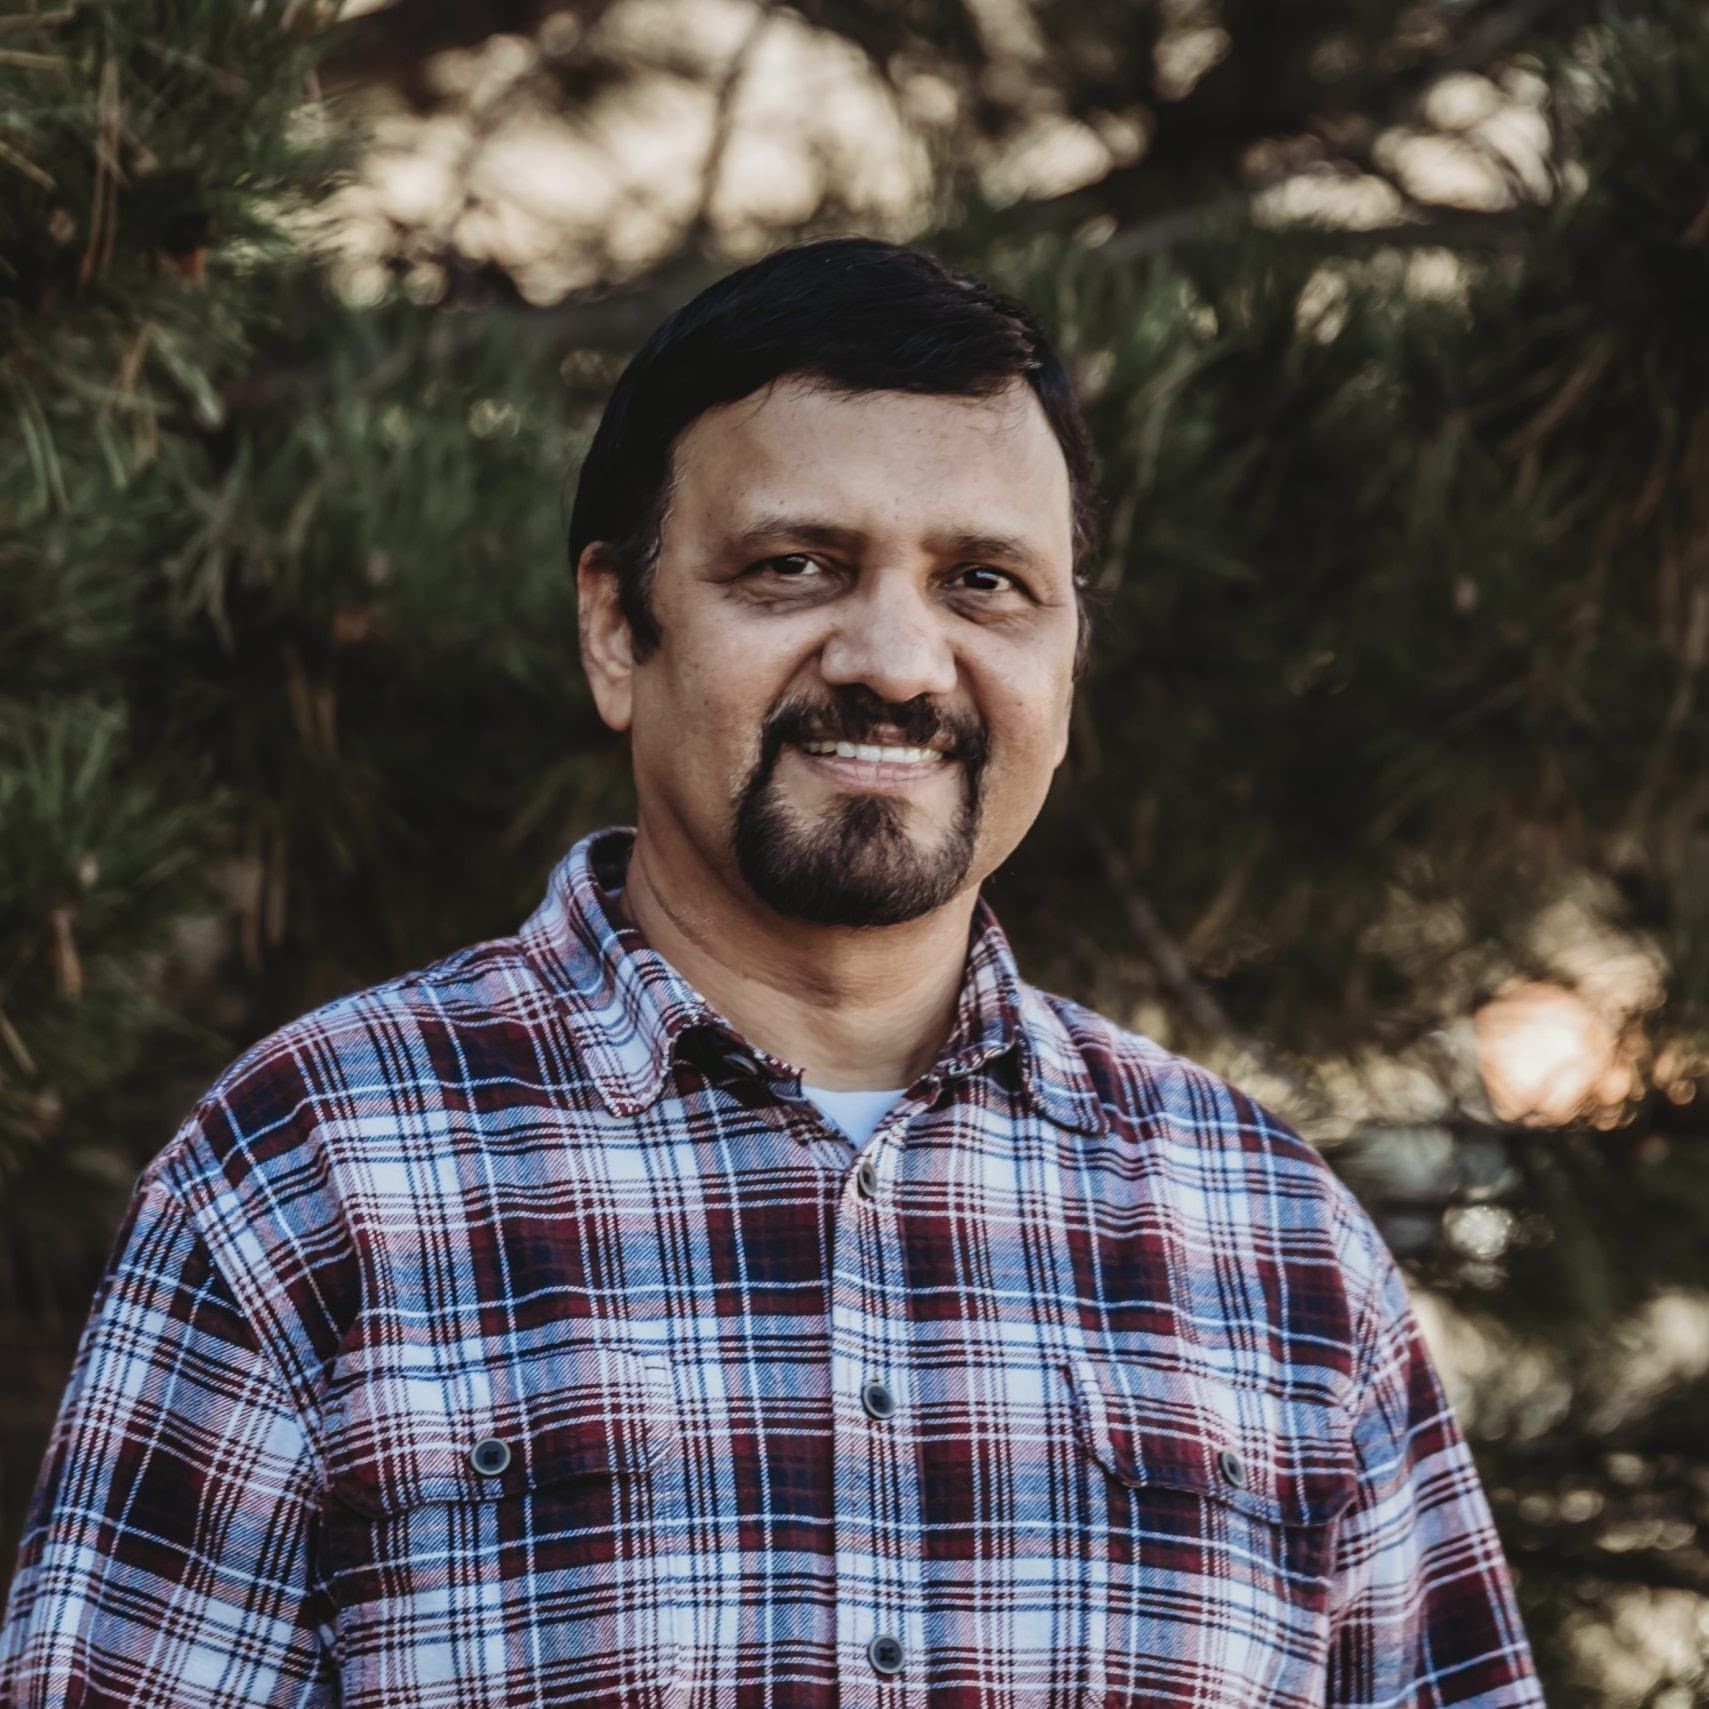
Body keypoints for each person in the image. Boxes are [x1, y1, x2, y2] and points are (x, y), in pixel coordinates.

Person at [0, 238, 1542, 1708]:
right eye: (797, 566)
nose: (893, 656)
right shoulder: (307, 1175)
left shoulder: (1273, 1249)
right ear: (618, 627)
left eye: (984, 584)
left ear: (1070, 653)